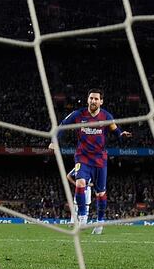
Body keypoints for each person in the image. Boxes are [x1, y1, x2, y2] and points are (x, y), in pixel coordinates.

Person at [51, 89, 131, 234]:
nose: (93, 101)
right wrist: (54, 140)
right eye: (91, 98)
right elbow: (62, 125)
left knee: (100, 193)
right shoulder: (78, 114)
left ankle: (100, 223)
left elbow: (115, 130)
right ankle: (82, 218)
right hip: (82, 157)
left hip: (100, 159)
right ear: (87, 100)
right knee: (80, 183)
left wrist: (121, 134)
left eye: (96, 99)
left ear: (101, 101)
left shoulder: (106, 116)